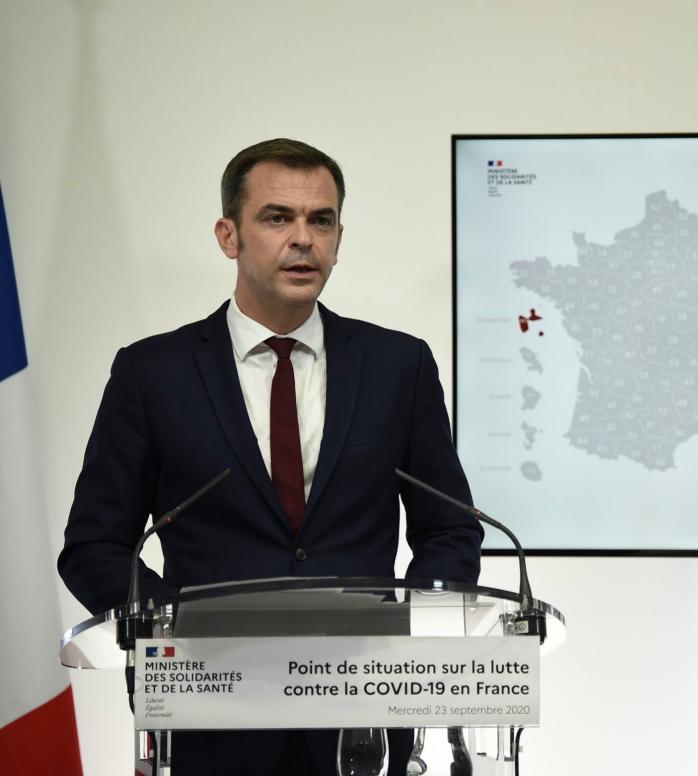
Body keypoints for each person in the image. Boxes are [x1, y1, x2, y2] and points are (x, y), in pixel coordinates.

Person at [58, 138, 483, 775]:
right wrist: (176, 629)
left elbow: (449, 528)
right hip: (211, 717)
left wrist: (414, 635)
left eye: (322, 220)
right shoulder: (153, 373)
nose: (304, 239)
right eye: (277, 217)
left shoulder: (400, 366)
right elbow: (94, 546)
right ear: (229, 236)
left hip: (362, 715)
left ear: (340, 236)